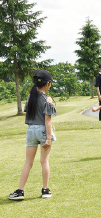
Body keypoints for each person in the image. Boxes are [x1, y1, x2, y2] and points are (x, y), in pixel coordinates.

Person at [9, 70, 57, 200]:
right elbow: (47, 120)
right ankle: (45, 190)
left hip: (30, 130)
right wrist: (48, 138)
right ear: (48, 84)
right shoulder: (47, 98)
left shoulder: (31, 96)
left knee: (28, 162)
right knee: (44, 161)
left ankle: (20, 191)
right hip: (42, 131)